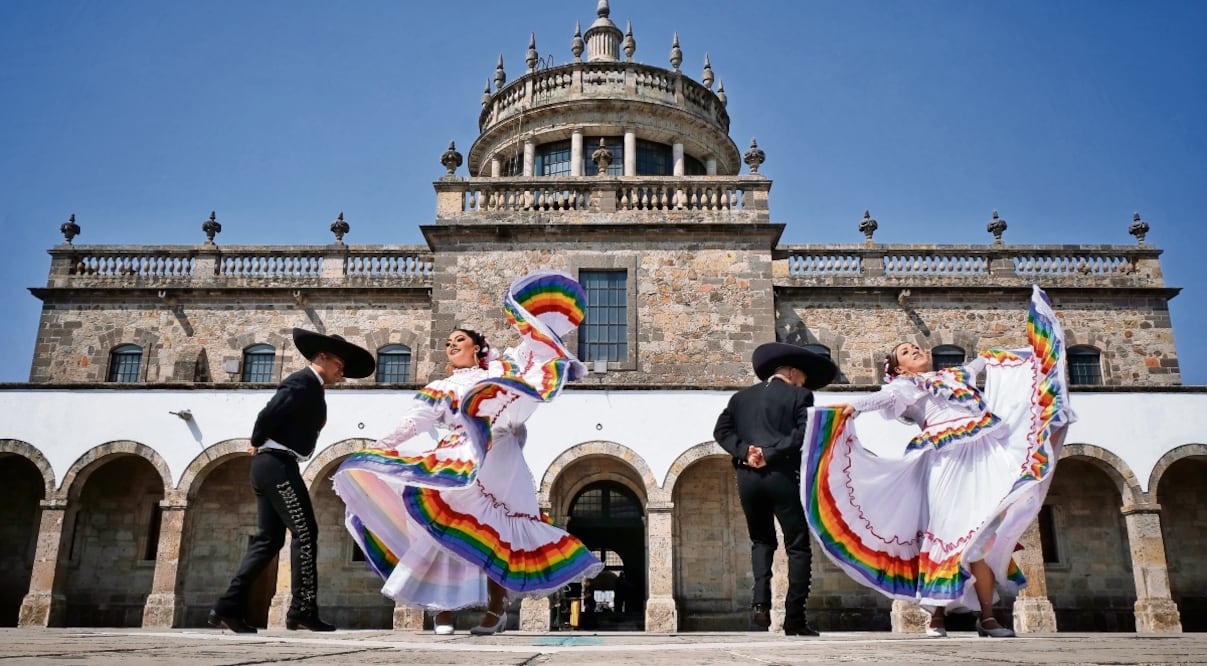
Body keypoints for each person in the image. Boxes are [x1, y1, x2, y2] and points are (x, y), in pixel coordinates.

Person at [333, 271, 604, 636]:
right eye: (447, 342)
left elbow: (534, 351)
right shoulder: (441, 386)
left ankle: (496, 609)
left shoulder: (500, 369)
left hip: (501, 454)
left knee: (497, 533)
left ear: (477, 347)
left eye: (458, 340)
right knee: (443, 524)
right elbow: (416, 420)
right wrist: (383, 446)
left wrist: (537, 319)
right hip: (459, 454)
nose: (451, 346)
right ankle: (442, 608)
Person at [802, 285, 1075, 638]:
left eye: (915, 346)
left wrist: (1038, 353)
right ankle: (937, 617)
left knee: (980, 529)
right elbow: (878, 400)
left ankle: (988, 617)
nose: (914, 350)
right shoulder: (906, 386)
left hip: (980, 454)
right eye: (905, 351)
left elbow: (994, 363)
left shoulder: (956, 375)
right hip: (943, 458)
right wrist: (850, 408)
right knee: (946, 530)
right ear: (898, 366)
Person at [209, 328, 375, 634]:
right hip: (276, 465)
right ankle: (302, 609)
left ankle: (227, 606)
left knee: (269, 540)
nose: (342, 371)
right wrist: (257, 439)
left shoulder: (313, 386)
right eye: (339, 364)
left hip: (273, 465)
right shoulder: (302, 382)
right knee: (305, 532)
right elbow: (269, 413)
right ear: (322, 357)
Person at [713, 342, 838, 637]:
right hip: (782, 475)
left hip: (747, 478)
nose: (804, 382)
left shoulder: (741, 398)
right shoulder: (800, 395)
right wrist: (769, 454)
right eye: (803, 377)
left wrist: (746, 452)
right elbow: (802, 432)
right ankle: (794, 618)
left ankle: (760, 604)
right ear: (793, 373)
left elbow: (721, 431)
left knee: (761, 540)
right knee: (797, 545)